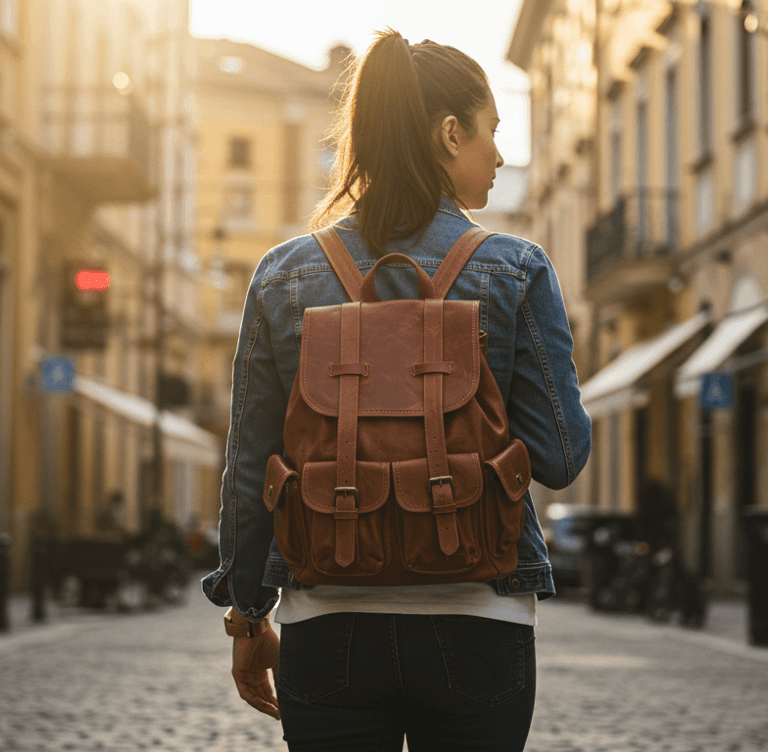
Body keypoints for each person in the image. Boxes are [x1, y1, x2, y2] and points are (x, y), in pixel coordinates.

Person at [203, 30, 591, 752]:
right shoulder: (516, 268)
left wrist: (247, 616)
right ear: (450, 133)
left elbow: (249, 472)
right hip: (481, 621)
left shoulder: (285, 275)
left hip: (328, 623)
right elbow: (562, 455)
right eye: (493, 132)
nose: (501, 156)